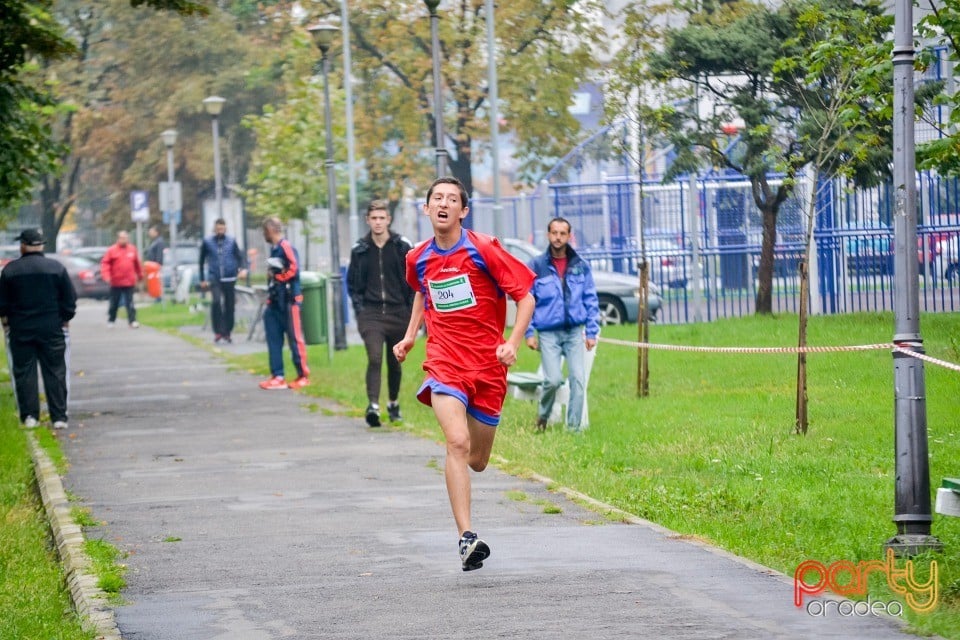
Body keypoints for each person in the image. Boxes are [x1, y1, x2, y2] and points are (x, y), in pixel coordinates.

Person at [393, 177, 535, 572]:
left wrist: (513, 341)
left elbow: (526, 296)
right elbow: (423, 290)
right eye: (437, 198)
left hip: (488, 366)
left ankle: (468, 483)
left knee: (477, 459)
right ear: (426, 209)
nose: (443, 203)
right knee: (456, 442)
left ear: (463, 211)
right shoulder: (417, 257)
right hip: (444, 362)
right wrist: (410, 337)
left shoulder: (483, 248)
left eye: (451, 199)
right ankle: (466, 537)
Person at [525, 217, 600, 433]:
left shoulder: (580, 266)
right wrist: (529, 333)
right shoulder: (537, 266)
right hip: (548, 333)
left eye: (562, 233)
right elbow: (527, 300)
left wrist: (591, 332)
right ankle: (543, 416)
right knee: (553, 380)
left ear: (569, 236)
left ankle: (574, 430)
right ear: (548, 235)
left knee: (577, 379)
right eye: (554, 233)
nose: (558, 237)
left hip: (574, 332)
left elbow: (591, 300)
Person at [0, 228, 77, 429]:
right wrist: (65, 318)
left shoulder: (10, 270)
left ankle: (29, 416)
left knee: (24, 373)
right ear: (41, 245)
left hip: (21, 330)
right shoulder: (56, 268)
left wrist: (6, 323)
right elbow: (69, 299)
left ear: (23, 246)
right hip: (52, 329)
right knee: (56, 371)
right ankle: (59, 416)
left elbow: (2, 303)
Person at [347, 200, 414, 427]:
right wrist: (360, 310)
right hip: (371, 314)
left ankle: (393, 404)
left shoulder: (401, 246)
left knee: (394, 362)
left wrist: (410, 310)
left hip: (399, 313)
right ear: (367, 220)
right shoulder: (360, 250)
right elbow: (352, 283)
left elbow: (414, 281)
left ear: (388, 220)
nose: (377, 222)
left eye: (381, 218)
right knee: (374, 357)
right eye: (373, 218)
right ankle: (373, 406)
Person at [259, 217, 310, 390]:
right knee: (273, 337)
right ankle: (278, 375)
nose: (264, 234)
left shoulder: (285, 246)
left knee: (295, 338)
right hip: (275, 301)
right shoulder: (274, 250)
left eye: (265, 230)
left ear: (272, 229)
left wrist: (278, 277)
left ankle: (303, 375)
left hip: (289, 300)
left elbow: (294, 268)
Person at [199, 218, 248, 344]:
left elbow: (240, 256)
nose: (220, 231)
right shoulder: (207, 242)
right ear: (214, 229)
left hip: (229, 277)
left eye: (222, 228)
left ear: (225, 229)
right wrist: (202, 279)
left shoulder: (231, 241)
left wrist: (242, 269)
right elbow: (201, 260)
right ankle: (218, 330)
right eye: (218, 228)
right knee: (216, 302)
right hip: (215, 277)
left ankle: (227, 331)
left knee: (229, 305)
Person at [101, 230, 143, 328]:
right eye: (122, 238)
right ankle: (111, 319)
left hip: (129, 281)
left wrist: (140, 276)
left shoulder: (132, 249)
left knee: (130, 303)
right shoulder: (112, 250)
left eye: (126, 238)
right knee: (114, 303)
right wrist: (106, 276)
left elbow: (137, 264)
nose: (124, 240)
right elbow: (105, 264)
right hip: (116, 282)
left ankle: (132, 320)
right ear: (118, 239)